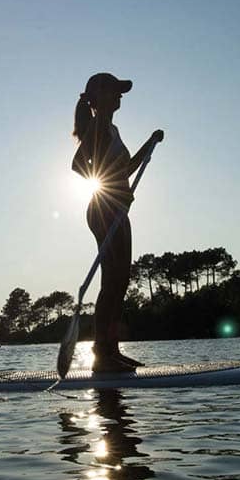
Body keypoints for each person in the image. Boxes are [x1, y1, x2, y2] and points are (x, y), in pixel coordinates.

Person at [71, 73, 164, 372]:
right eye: (115, 91)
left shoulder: (112, 128)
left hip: (117, 209)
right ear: (99, 97)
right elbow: (78, 165)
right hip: (104, 209)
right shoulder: (97, 126)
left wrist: (149, 143)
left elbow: (124, 168)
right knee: (112, 281)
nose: (120, 96)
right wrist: (110, 187)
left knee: (121, 280)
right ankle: (102, 353)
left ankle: (111, 349)